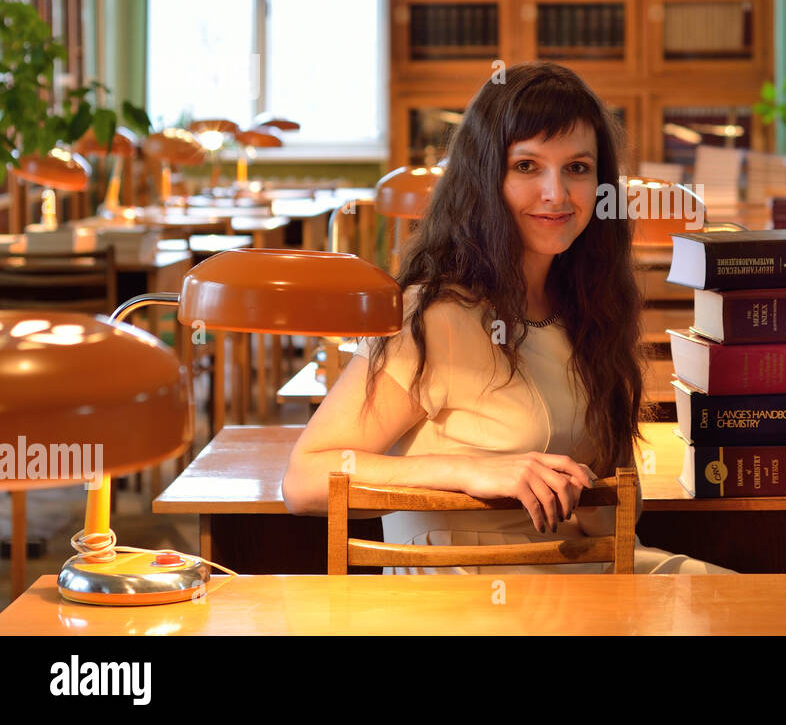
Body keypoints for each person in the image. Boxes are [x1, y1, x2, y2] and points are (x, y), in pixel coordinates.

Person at [281, 61, 733, 574]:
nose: (556, 193)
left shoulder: (589, 311)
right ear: (484, 178)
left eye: (577, 168)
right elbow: (305, 479)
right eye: (526, 166)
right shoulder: (435, 315)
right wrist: (471, 471)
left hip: (584, 572)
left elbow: (607, 514)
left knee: (755, 613)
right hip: (471, 597)